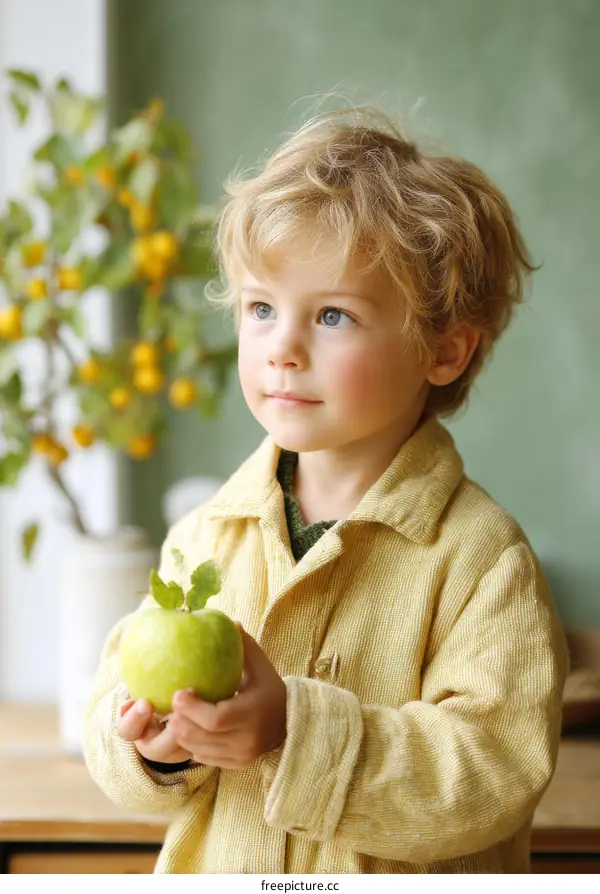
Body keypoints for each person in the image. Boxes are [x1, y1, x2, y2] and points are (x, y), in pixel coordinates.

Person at [83, 106, 569, 874]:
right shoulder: (209, 535)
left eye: (333, 315)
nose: (282, 349)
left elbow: (491, 773)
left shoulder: (483, 559)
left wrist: (292, 733)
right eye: (261, 309)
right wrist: (157, 747)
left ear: (444, 350)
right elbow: (109, 712)